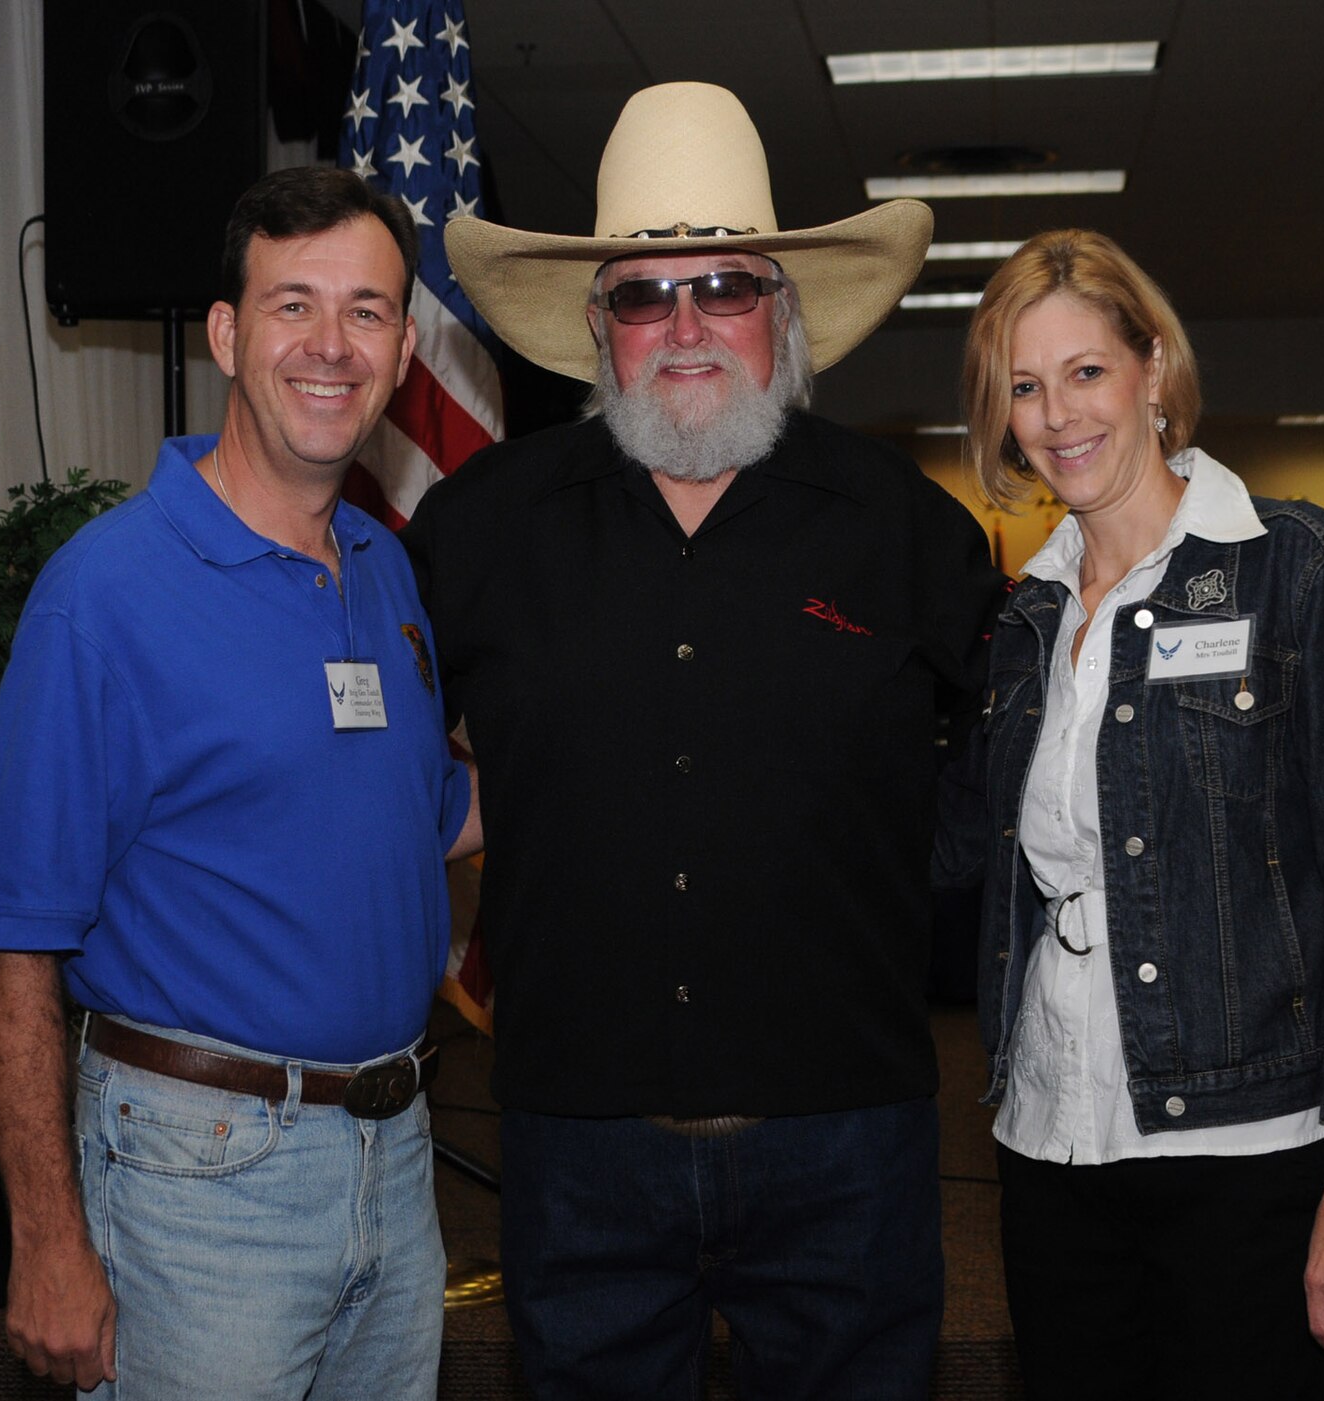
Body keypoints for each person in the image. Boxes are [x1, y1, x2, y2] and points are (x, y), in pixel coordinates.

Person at [404, 83, 1005, 1398]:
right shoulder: (476, 532)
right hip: (577, 1145)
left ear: (784, 316)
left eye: (725, 285)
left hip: (848, 1135)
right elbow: (382, 757)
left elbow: (1011, 761)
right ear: (595, 323)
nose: (684, 327)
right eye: (642, 295)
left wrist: (897, 866)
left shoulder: (906, 531)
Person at [0, 167, 479, 1399]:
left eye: (365, 311)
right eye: (291, 304)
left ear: (404, 349)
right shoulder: (105, 593)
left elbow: (437, 821)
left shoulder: (384, 572)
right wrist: (45, 1241)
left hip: (395, 1163)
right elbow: (12, 947)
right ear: (225, 333)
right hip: (199, 1184)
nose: (328, 343)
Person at [934, 228, 1324, 1399]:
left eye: (1084, 371)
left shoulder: (1297, 572)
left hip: (1248, 1148)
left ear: (1153, 369)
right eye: (1022, 386)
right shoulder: (1024, 621)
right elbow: (954, 845)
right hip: (1049, 1137)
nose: (1056, 414)